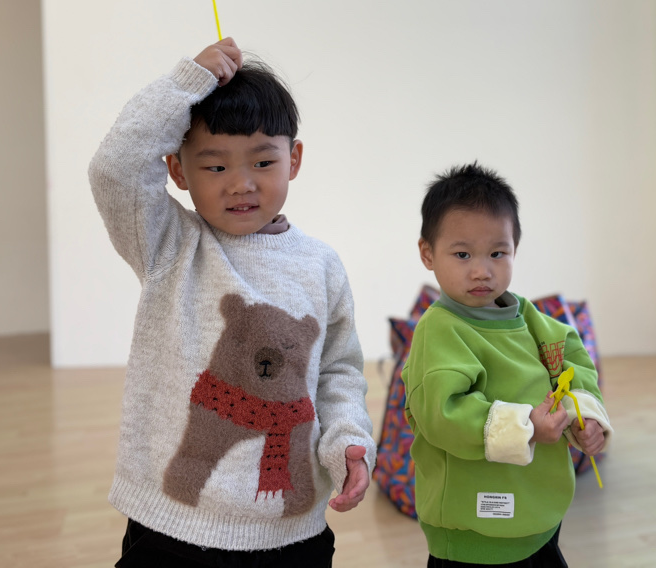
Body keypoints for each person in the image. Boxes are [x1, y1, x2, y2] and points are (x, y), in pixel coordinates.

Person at [89, 37, 375, 567]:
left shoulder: (321, 265)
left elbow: (338, 370)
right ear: (178, 171)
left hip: (290, 530)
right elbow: (115, 168)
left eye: (263, 161)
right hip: (172, 524)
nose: (241, 184)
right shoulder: (169, 244)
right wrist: (186, 83)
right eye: (215, 167)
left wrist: (348, 440)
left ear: (293, 159)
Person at [402, 162, 612, 567]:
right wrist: (527, 425)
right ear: (428, 253)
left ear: (515, 249)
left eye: (497, 253)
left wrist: (583, 415)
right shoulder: (441, 329)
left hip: (539, 516)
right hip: (476, 530)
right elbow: (444, 414)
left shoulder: (527, 316)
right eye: (462, 254)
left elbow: (571, 358)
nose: (482, 270)